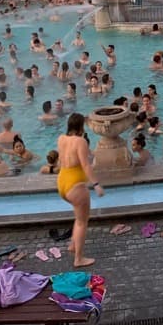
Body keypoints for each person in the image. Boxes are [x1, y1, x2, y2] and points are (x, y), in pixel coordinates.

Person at [56, 112, 104, 267]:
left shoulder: (61, 139)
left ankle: (72, 245)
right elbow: (85, 165)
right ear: (81, 126)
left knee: (78, 218)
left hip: (62, 182)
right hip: (75, 185)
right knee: (83, 221)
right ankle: (79, 258)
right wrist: (96, 184)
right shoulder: (81, 141)